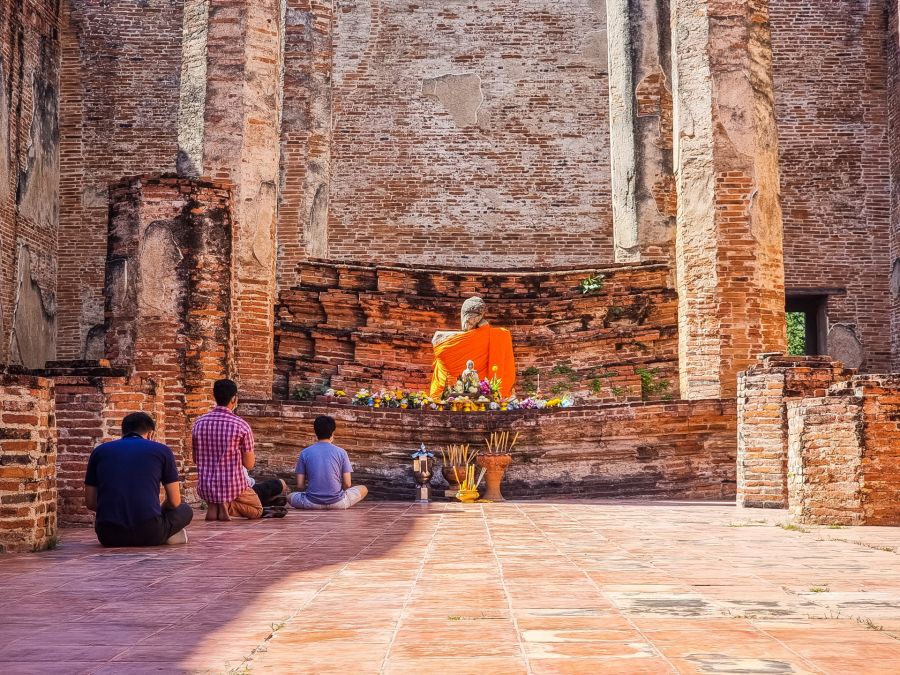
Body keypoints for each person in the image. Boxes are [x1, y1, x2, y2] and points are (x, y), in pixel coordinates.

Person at [84, 412, 192, 547]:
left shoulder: (99, 452)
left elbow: (90, 503)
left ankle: (163, 532)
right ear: (151, 434)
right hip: (150, 533)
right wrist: (159, 510)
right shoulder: (162, 451)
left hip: (108, 535)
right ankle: (167, 534)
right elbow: (175, 502)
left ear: (123, 433)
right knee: (185, 509)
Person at [192, 379, 287, 520]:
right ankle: (226, 505)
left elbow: (195, 459)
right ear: (234, 398)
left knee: (222, 493)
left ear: (214, 397)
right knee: (256, 510)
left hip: (206, 487)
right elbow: (249, 464)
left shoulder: (199, 423)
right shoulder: (241, 425)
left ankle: (216, 504)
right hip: (233, 486)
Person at [288, 416, 368, 510]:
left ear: (315, 432)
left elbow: (300, 485)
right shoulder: (341, 452)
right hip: (339, 503)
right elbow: (347, 484)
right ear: (333, 432)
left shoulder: (305, 453)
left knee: (289, 496)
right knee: (363, 488)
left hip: (311, 503)